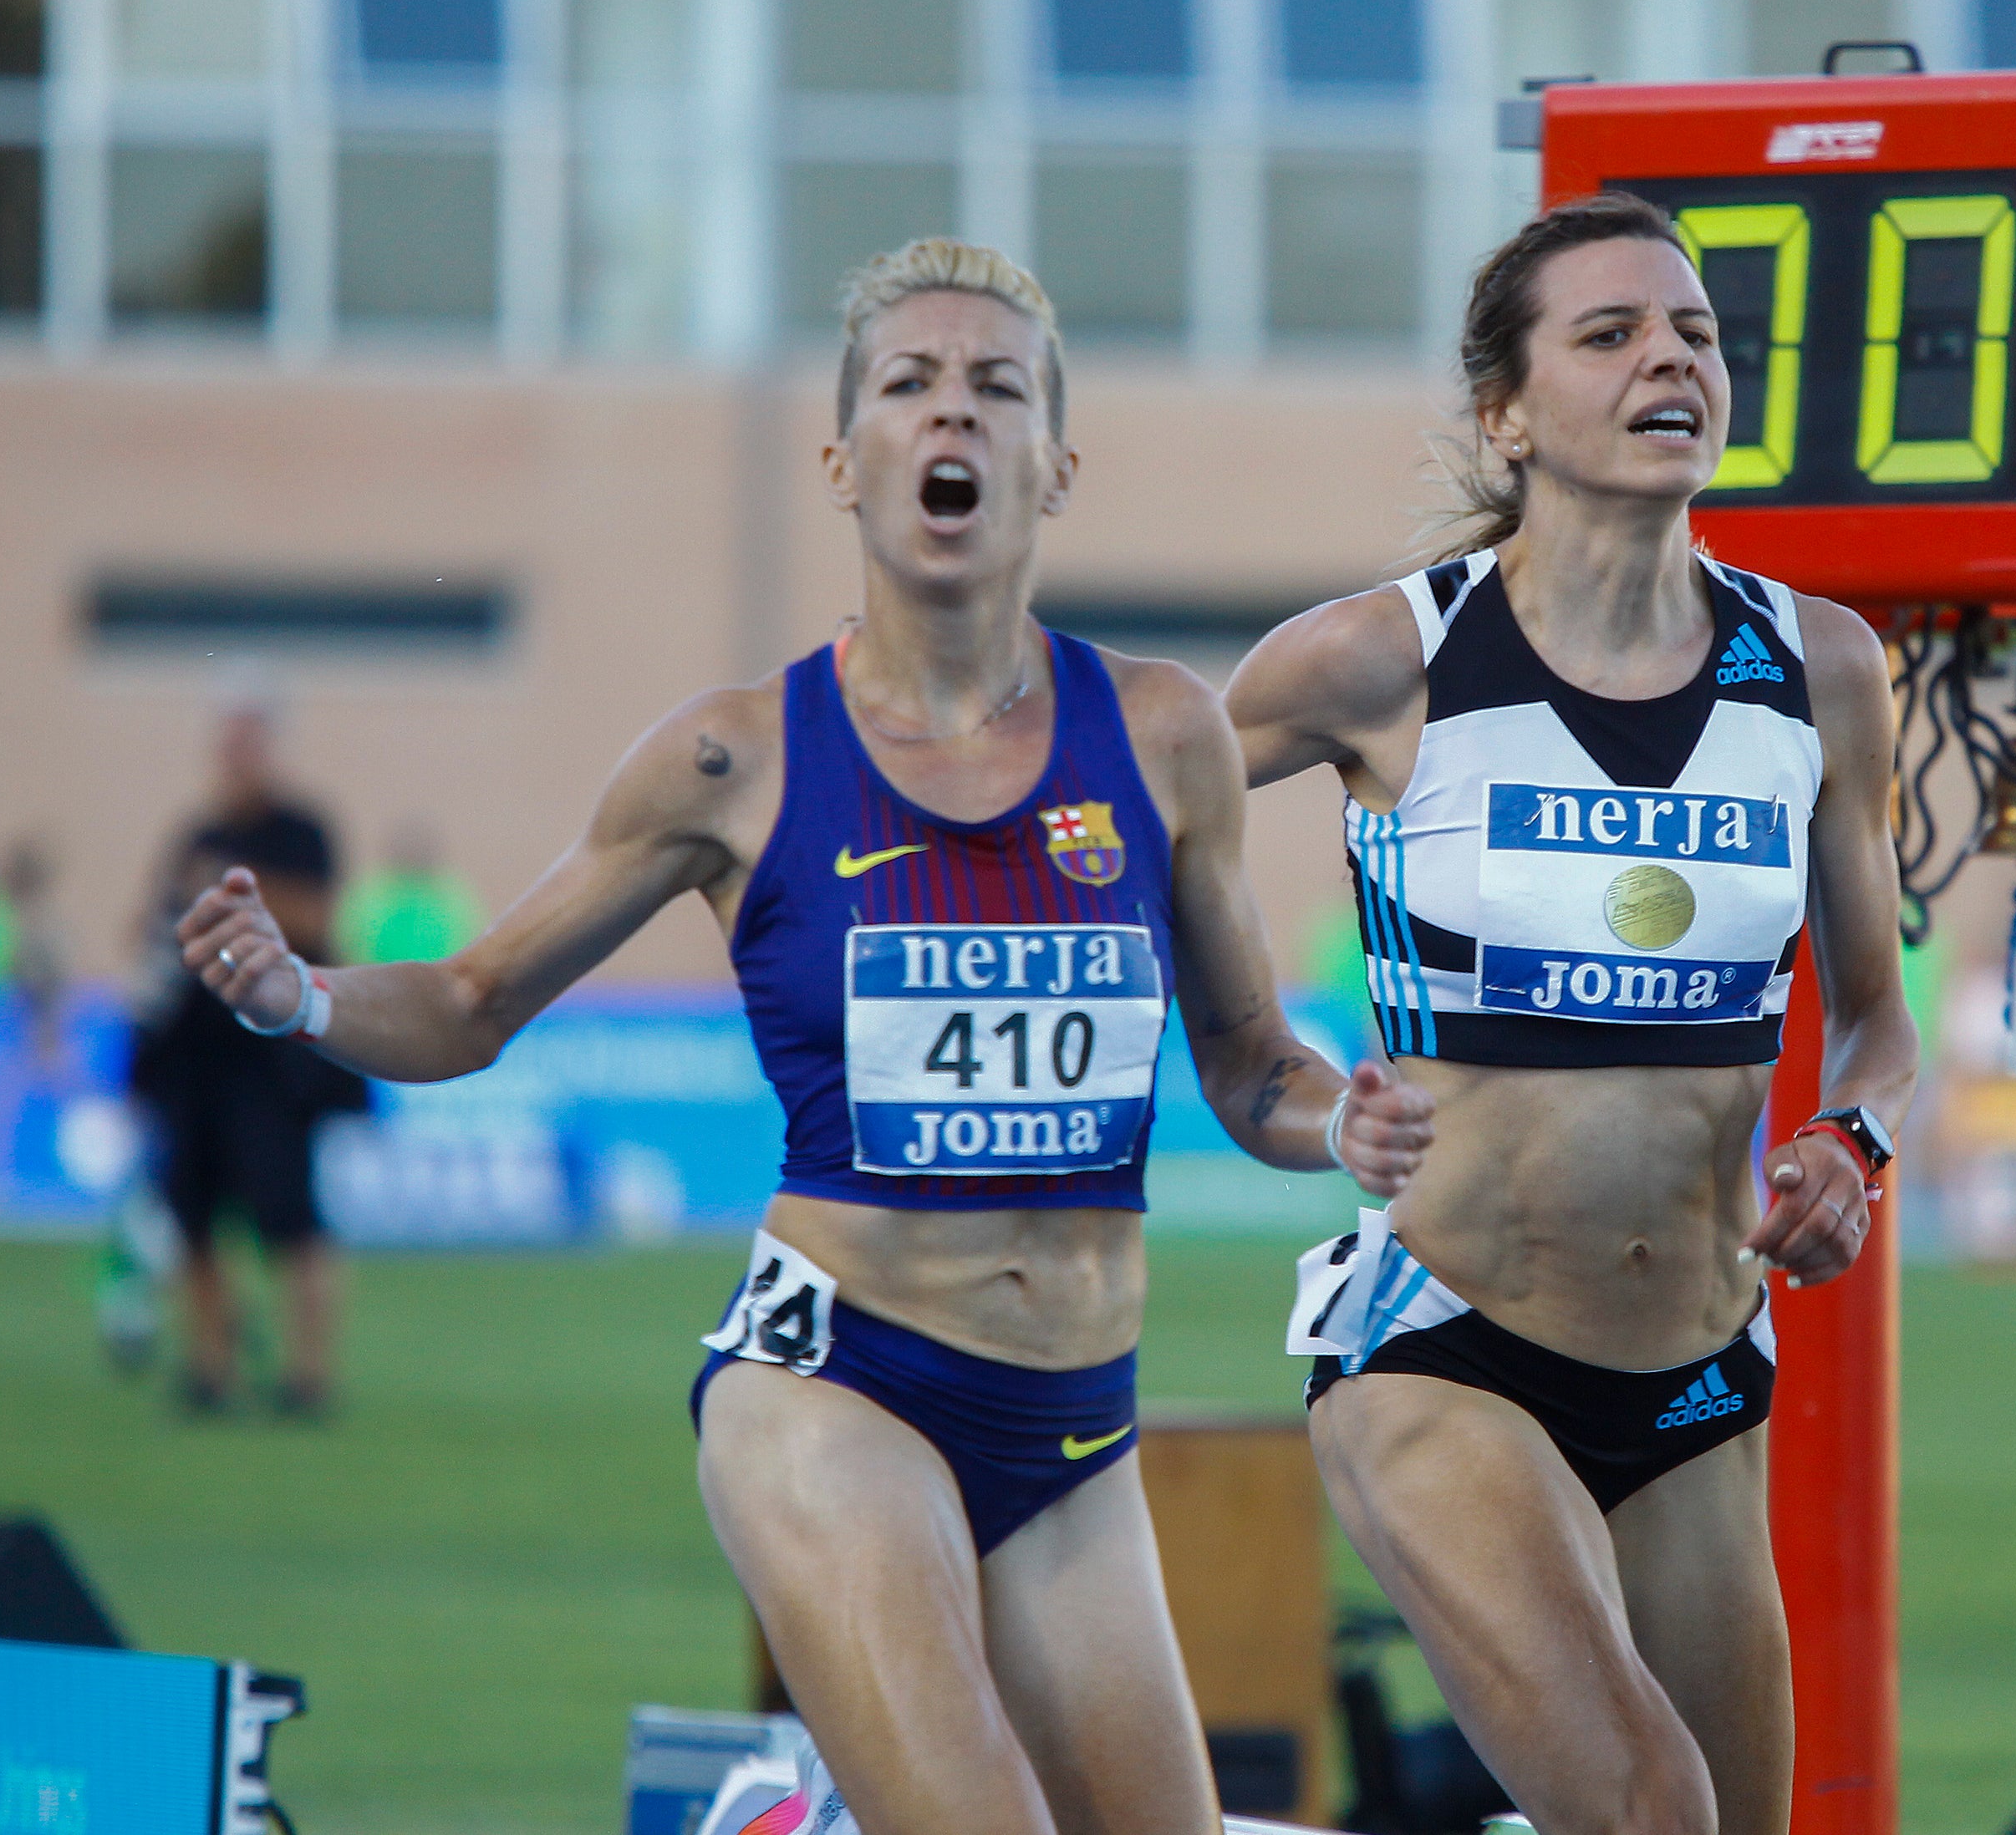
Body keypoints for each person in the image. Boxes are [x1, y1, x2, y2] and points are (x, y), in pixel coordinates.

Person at [177, 237, 1433, 1835]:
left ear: (1054, 462)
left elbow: (1251, 1064)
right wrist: (301, 992)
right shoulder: (730, 759)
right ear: (843, 461)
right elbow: (475, 999)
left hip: (1071, 1420)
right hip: (837, 1380)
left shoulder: (1166, 732)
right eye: (907, 384)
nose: (949, 415)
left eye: (994, 386)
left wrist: (1343, 1123)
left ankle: (796, 1819)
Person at [1225, 194, 1919, 1835]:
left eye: (1693, 333)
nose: (1669, 356)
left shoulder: (1817, 665)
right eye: (1608, 334)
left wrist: (1851, 1140)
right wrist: (1276, 1072)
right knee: (1643, 1808)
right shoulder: (1377, 659)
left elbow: (1879, 1022)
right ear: (1507, 412)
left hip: (1690, 1380)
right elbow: (1107, 818)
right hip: (1444, 1350)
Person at [136, 698, 365, 1418]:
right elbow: (156, 930)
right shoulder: (198, 833)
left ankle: (308, 1374)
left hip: (271, 1060)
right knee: (195, 1217)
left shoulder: (300, 830)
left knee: (291, 1219)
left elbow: (323, 920)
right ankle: (212, 1366)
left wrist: (235, 889)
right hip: (198, 1055)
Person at [339, 816, 485, 965]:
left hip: (435, 983)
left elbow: (472, 944)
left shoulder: (454, 892)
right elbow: (347, 943)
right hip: (379, 982)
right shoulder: (369, 891)